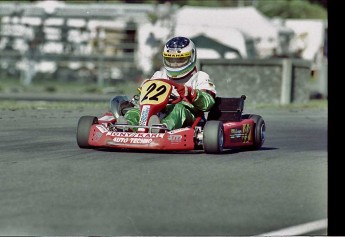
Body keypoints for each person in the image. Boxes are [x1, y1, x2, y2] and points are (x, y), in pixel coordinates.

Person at [122, 36, 217, 131]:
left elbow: (208, 103)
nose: (175, 64)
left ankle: (162, 129)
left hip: (187, 115)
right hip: (158, 111)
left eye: (180, 60)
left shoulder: (200, 77)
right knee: (136, 111)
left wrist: (190, 93)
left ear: (191, 57)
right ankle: (128, 128)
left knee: (178, 109)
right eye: (171, 60)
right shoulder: (159, 75)